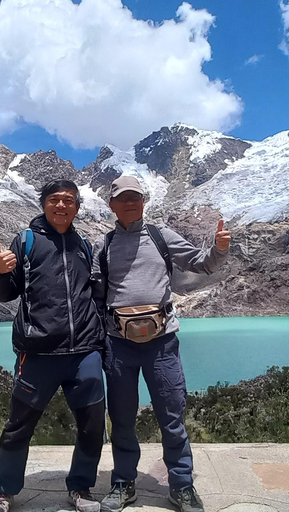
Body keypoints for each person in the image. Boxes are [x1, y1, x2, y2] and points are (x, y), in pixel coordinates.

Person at [92, 176, 231, 512]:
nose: (130, 203)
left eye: (135, 197)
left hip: (162, 342)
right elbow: (95, 295)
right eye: (123, 198)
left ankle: (181, 486)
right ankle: (124, 483)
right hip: (118, 343)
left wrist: (220, 249)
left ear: (144, 202)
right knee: (122, 418)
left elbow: (201, 263)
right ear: (111, 204)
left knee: (171, 415)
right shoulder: (104, 245)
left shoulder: (160, 237)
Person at [0, 179, 105, 512]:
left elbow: (94, 295)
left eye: (69, 200)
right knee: (19, 425)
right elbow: (4, 293)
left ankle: (81, 488)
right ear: (43, 204)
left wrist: (101, 344)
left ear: (78, 207)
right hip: (37, 353)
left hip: (84, 351)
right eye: (55, 199)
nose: (62, 205)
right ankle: (4, 490)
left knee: (93, 424)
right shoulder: (26, 241)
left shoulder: (84, 244)